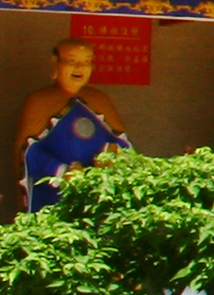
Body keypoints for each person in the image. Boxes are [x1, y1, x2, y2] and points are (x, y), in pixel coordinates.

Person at [15, 37, 132, 213]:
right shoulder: (39, 101)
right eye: (72, 61)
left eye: (86, 62)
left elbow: (124, 144)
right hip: (55, 196)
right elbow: (27, 152)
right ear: (56, 64)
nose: (79, 68)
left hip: (97, 194)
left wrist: (113, 154)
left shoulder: (100, 100)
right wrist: (62, 172)